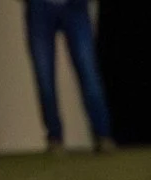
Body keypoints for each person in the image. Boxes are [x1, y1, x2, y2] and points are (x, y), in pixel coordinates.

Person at [22, 0, 112, 151]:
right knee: (45, 78)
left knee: (88, 72)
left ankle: (102, 134)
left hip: (75, 6)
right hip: (39, 7)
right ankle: (55, 137)